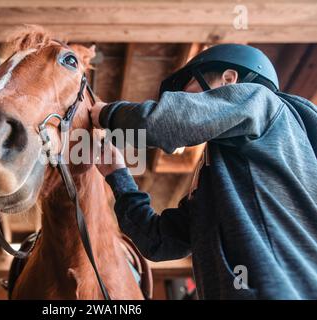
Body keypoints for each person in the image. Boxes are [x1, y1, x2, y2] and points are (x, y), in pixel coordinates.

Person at [90, 44, 317, 299]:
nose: (186, 102)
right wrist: (118, 174)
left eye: (189, 94)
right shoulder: (219, 186)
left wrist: (104, 113)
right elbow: (158, 241)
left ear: (229, 79)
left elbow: (163, 122)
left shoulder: (262, 102)